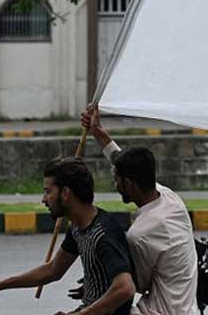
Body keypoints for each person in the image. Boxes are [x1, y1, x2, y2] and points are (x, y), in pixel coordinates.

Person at [0, 158, 135, 315]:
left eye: (48, 191)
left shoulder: (102, 235)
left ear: (66, 193)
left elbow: (125, 288)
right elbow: (53, 270)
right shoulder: (77, 227)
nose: (43, 199)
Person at [81, 105, 199, 315]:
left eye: (116, 180)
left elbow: (135, 284)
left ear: (128, 183)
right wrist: (98, 132)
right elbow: (120, 159)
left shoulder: (141, 234)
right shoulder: (171, 199)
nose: (115, 185)